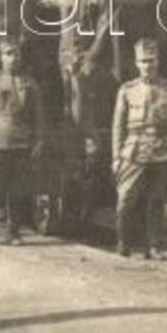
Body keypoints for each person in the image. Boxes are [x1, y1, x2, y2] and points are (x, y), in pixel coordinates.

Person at [112, 38, 167, 258]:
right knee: (126, 198)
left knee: (156, 200)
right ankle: (122, 243)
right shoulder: (126, 90)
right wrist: (116, 157)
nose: (148, 65)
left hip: (162, 150)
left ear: (158, 61)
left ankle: (153, 244)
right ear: (137, 63)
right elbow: (118, 125)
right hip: (134, 150)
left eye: (152, 60)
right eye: (144, 61)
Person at [0, 39, 48, 246]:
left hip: (23, 143)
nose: (13, 58)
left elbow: (39, 116)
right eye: (8, 54)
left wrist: (38, 141)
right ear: (1, 57)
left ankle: (13, 233)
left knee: (17, 189)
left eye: (16, 53)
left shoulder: (30, 83)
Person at [63, 33, 119, 237]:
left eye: (81, 51)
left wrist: (92, 134)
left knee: (90, 174)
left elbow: (95, 107)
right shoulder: (60, 74)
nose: (77, 55)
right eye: (73, 50)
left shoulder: (97, 77)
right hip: (66, 133)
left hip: (87, 132)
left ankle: (87, 217)